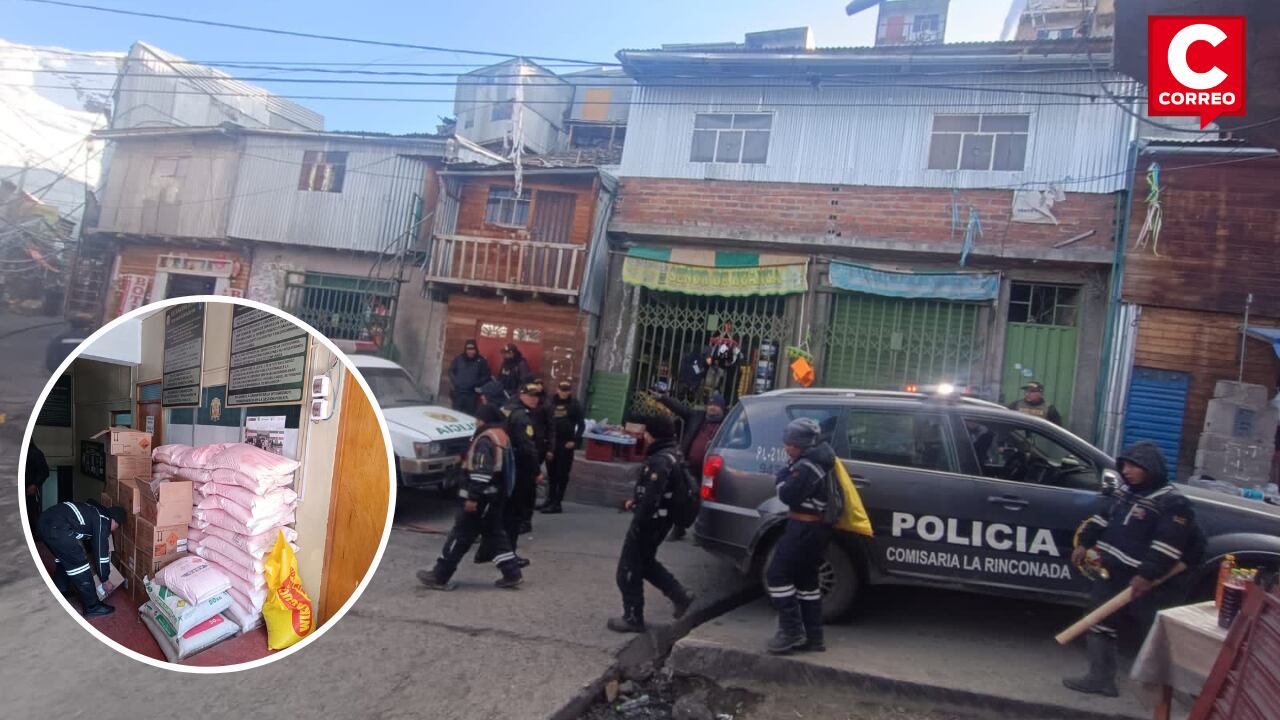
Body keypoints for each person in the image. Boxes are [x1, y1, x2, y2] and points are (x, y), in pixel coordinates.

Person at [1063, 441, 1200, 697]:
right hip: (1111, 573)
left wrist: (1146, 575)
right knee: (1099, 623)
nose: (1126, 471)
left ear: (1151, 468)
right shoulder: (1125, 493)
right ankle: (1100, 679)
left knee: (1152, 631)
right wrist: (1084, 543)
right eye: (1124, 465)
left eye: (1133, 466)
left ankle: (1170, 691)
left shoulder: (1173, 503)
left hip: (1145, 581)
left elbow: (1167, 545)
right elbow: (1101, 519)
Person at [418, 404, 523, 591]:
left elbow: (482, 473)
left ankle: (440, 575)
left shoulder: (485, 439)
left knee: (460, 536)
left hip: (481, 499)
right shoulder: (500, 434)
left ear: (483, 419)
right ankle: (512, 573)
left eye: (478, 419)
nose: (476, 422)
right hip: (493, 498)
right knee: (494, 536)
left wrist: (473, 498)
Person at [607, 413, 696, 633]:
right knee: (645, 563)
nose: (644, 436)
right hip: (663, 520)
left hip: (651, 522)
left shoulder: (659, 460)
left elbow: (651, 497)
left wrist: (638, 518)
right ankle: (680, 595)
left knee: (627, 569)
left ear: (652, 435)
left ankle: (633, 617)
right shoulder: (673, 453)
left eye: (646, 432)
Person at [765, 417, 835, 655]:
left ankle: (791, 631)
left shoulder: (806, 467)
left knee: (777, 574)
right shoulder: (816, 461)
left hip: (804, 529)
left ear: (803, 445)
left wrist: (783, 474)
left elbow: (786, 495)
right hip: (815, 530)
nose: (787, 447)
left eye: (791, 444)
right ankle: (814, 637)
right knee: (806, 582)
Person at [655, 391, 729, 540]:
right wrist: (663, 398)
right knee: (683, 496)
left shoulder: (727, 423)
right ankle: (679, 528)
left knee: (706, 500)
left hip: (710, 470)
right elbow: (681, 409)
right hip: (690, 467)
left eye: (716, 405)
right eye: (710, 404)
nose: (712, 408)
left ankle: (702, 533)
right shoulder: (698, 417)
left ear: (722, 408)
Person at [37, 500, 126, 617]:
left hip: (44, 521)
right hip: (57, 527)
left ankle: (61, 590)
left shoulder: (95, 511)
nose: (114, 530)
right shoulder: (104, 520)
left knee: (64, 559)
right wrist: (105, 580)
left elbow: (92, 543)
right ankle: (93, 607)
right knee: (79, 565)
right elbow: (101, 554)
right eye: (117, 527)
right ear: (114, 520)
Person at [502, 382, 543, 562]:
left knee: (506, 511)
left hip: (510, 467)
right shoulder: (522, 417)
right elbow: (528, 448)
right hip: (520, 470)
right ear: (522, 395)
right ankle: (508, 553)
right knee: (514, 514)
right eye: (531, 396)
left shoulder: (511, 410)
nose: (535, 399)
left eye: (537, 396)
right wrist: (536, 470)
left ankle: (495, 549)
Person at [543, 380, 585, 514]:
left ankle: (557, 503)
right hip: (552, 443)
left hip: (566, 444)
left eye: (566, 390)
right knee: (551, 473)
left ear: (570, 391)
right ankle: (549, 499)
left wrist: (575, 441)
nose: (563, 392)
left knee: (561, 474)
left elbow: (581, 425)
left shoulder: (574, 405)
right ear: (557, 390)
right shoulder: (550, 403)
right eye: (562, 389)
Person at [448, 339, 492, 416]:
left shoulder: (481, 361)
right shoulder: (458, 359)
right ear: (465, 350)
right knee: (455, 415)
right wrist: (456, 381)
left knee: (469, 416)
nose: (471, 352)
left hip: (471, 394)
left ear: (476, 350)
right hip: (458, 393)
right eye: (469, 349)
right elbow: (451, 371)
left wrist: (475, 383)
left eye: (473, 349)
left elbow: (486, 376)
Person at [25, 441, 48, 539]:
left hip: (28, 491)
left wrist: (35, 485)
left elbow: (44, 471)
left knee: (30, 518)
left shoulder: (35, 453)